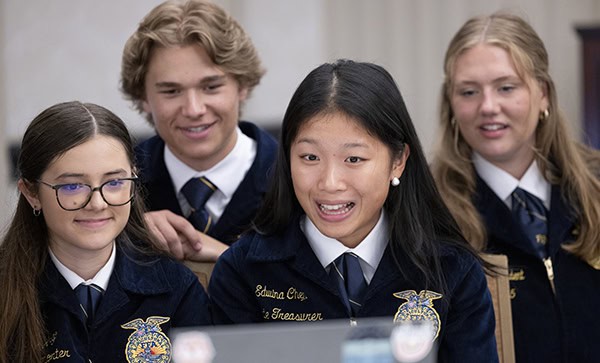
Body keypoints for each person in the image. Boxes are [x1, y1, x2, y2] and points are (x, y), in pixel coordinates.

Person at [209, 59, 498, 362]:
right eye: (309, 157)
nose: (330, 183)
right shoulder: (243, 271)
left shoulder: (452, 270)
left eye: (354, 159)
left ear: (397, 161)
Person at [431, 12, 600, 363]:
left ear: (543, 94)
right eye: (469, 91)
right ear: (450, 103)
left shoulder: (596, 184)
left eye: (506, 87)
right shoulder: (428, 211)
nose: (488, 107)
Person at [0, 101, 211, 363]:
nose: (98, 204)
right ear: (32, 193)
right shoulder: (6, 289)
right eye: (73, 187)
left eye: (114, 182)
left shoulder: (176, 288)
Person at [120, 0, 277, 261]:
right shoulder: (115, 188)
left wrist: (227, 261)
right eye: (171, 91)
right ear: (143, 96)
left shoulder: (296, 180)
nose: (193, 109)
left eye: (211, 87)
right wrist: (127, 232)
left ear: (242, 85)